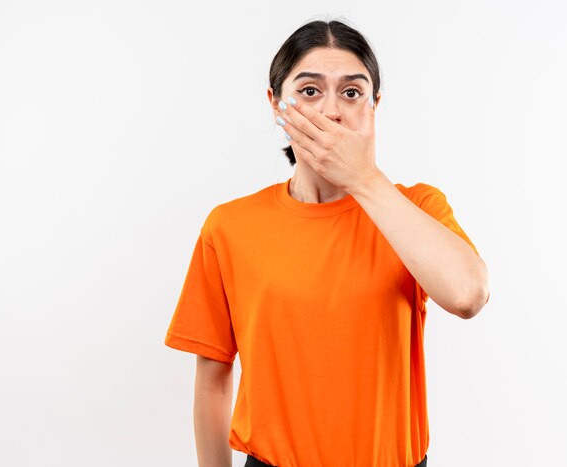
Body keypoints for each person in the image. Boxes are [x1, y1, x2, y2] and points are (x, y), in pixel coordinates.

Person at [164, 18, 490, 467]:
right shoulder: (229, 226)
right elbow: (213, 379)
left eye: (352, 92)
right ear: (277, 105)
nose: (332, 111)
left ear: (374, 106)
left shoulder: (416, 208)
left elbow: (468, 295)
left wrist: (362, 178)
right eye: (310, 91)